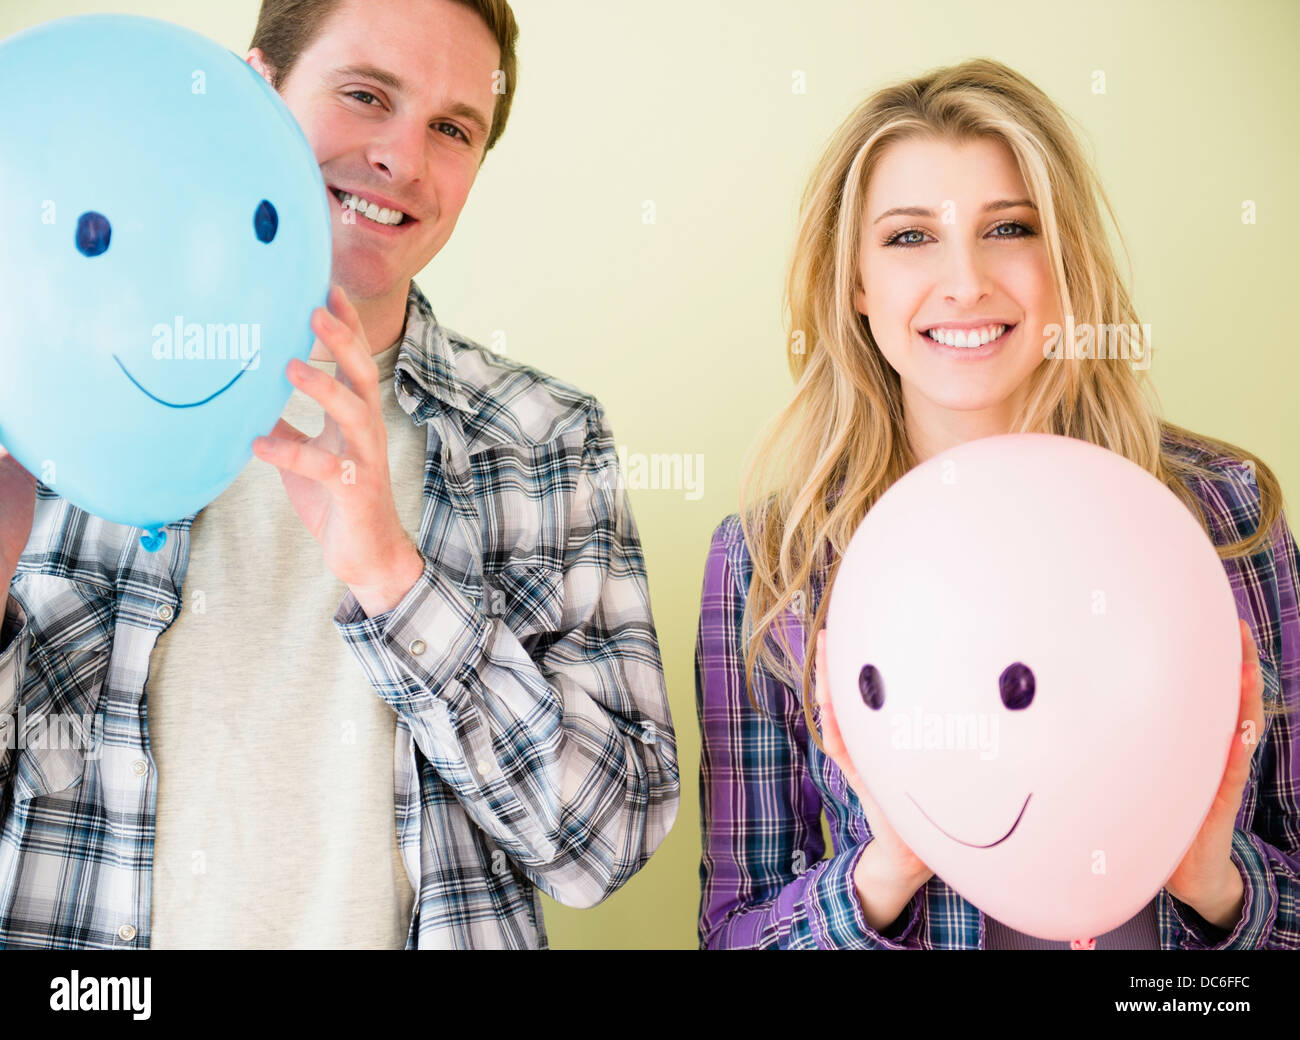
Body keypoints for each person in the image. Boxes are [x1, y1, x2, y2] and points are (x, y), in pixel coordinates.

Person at [0, 0, 678, 950]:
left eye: (452, 128)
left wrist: (395, 579)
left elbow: (607, 845)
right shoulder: (46, 402)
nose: (403, 158)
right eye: (365, 95)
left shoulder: (546, 439)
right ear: (255, 92)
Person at [695, 57, 1299, 950]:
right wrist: (882, 873)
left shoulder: (1217, 516)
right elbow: (732, 934)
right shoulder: (772, 562)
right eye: (909, 238)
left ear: (1063, 262)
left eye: (1009, 228)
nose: (965, 280)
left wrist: (1222, 885)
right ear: (856, 282)